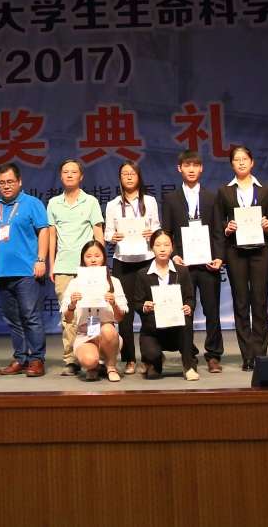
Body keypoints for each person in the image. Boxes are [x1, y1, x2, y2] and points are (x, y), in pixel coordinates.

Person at [213, 144, 268, 371]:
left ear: (252, 162)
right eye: (236, 160)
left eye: (244, 159)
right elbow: (218, 220)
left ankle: (261, 352)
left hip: (260, 250)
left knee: (259, 301)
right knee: (241, 302)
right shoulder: (224, 191)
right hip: (235, 251)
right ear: (231, 165)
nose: (241, 163)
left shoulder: (265, 189)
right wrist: (227, 227)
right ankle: (247, 354)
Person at [162, 150, 224, 372]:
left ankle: (213, 355)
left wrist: (219, 257)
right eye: (187, 165)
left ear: (201, 169)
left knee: (212, 311)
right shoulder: (171, 198)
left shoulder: (212, 197)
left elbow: (218, 231)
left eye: (195, 165)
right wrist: (174, 255)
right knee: (184, 310)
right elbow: (167, 232)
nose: (191, 169)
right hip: (183, 265)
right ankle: (189, 354)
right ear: (179, 169)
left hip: (208, 265)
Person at [0, 162, 53, 377]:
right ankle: (21, 358)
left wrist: (41, 259)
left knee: (31, 317)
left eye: (10, 181)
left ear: (20, 182)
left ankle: (37, 359)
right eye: (2, 183)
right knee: (12, 319)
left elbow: (44, 231)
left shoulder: (32, 203)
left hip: (27, 271)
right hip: (2, 272)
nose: (6, 186)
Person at [46, 159, 105, 376]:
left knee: (92, 313)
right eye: (65, 172)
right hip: (63, 266)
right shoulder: (53, 203)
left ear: (81, 176)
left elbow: (98, 233)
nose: (69, 175)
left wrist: (101, 265)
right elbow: (52, 236)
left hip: (88, 268)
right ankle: (71, 360)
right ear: (61, 176)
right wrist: (51, 264)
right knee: (67, 315)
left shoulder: (91, 202)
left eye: (73, 172)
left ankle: (94, 357)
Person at [104, 160, 158, 376]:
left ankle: (148, 357)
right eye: (125, 173)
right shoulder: (113, 205)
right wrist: (113, 237)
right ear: (120, 177)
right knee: (124, 313)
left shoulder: (150, 201)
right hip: (123, 261)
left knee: (147, 310)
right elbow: (107, 232)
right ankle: (129, 359)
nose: (128, 176)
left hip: (146, 259)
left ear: (139, 177)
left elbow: (157, 227)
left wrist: (152, 234)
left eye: (132, 173)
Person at [131, 230, 199, 381]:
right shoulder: (143, 274)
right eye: (158, 245)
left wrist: (189, 306)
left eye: (166, 245)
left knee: (187, 321)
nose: (162, 249)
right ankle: (155, 360)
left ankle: (188, 366)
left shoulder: (182, 271)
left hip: (177, 327)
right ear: (152, 248)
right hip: (153, 329)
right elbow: (137, 303)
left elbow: (190, 298)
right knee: (152, 370)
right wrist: (144, 307)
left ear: (172, 248)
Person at [60, 240, 127, 381]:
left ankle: (111, 367)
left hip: (107, 334)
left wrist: (114, 303)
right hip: (85, 333)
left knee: (107, 329)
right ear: (83, 259)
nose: (93, 260)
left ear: (104, 258)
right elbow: (68, 318)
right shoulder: (75, 283)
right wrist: (72, 304)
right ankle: (95, 366)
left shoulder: (114, 282)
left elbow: (120, 318)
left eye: (97, 256)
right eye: (88, 256)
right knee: (89, 361)